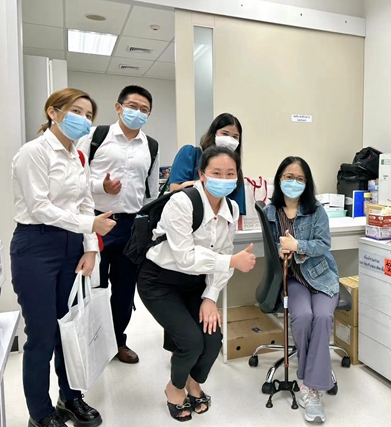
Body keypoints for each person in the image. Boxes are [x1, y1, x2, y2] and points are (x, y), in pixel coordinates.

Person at [11, 88, 116, 427]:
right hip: (36, 245)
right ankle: (40, 414)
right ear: (53, 112)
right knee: (41, 334)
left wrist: (90, 246)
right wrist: (89, 226)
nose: (83, 119)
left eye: (89, 115)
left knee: (70, 328)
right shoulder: (33, 152)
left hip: (73, 245)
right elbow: (39, 207)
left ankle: (70, 397)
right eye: (76, 111)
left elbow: (85, 202)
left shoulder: (77, 156)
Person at [137, 146, 257, 421]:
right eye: (217, 173)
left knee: (212, 340)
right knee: (191, 342)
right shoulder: (181, 203)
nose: (224, 179)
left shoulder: (231, 208)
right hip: (159, 281)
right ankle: (174, 388)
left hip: (194, 283)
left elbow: (224, 252)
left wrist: (210, 297)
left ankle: (193, 382)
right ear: (202, 174)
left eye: (230, 173)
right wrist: (231, 262)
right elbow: (186, 257)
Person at [77, 85, 159, 364]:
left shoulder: (151, 146)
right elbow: (75, 179)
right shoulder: (94, 136)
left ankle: (117, 342)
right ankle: (91, 343)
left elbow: (151, 192)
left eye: (144, 109)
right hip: (96, 221)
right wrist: (101, 186)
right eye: (133, 106)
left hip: (130, 227)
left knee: (124, 290)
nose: (138, 112)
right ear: (119, 107)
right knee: (93, 288)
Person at [263, 156, 340, 424]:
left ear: (307, 183)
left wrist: (298, 246)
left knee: (323, 317)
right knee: (304, 317)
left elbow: (324, 244)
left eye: (299, 178)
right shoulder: (270, 212)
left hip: (321, 278)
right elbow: (270, 246)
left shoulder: (316, 211)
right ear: (279, 179)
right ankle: (315, 377)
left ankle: (310, 387)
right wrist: (280, 250)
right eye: (288, 177)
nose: (293, 182)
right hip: (293, 280)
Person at [168, 113, 246, 214]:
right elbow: (174, 189)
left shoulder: (235, 170)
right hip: (186, 215)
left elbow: (237, 211)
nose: (230, 141)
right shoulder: (190, 154)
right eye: (225, 134)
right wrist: (208, 184)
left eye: (235, 137)